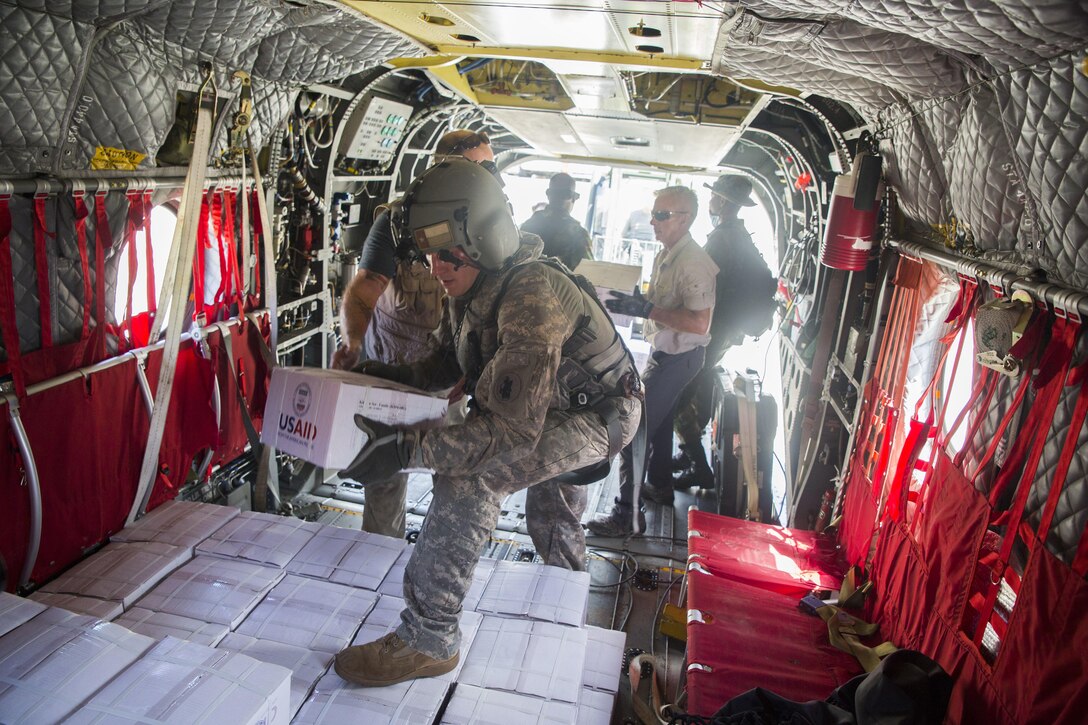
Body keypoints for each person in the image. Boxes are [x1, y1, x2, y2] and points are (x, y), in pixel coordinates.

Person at [333, 158, 642, 687]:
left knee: (476, 475)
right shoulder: (474, 287)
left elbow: (511, 434)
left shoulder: (531, 294)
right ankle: (540, 602)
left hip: (595, 414)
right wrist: (375, 373)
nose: (436, 267)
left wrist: (406, 450)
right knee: (487, 470)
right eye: (427, 254)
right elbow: (443, 365)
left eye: (445, 251)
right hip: (541, 405)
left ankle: (429, 639)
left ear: (482, 238)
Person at [330, 129, 494, 538]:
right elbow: (366, 284)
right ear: (446, 167)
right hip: (393, 370)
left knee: (453, 478)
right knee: (383, 472)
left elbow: (493, 310)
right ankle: (374, 563)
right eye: (482, 168)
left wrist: (471, 372)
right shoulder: (399, 222)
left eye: (492, 168)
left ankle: (437, 571)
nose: (489, 178)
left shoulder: (491, 226)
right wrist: (352, 341)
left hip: (447, 377)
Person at [587, 186, 717, 536]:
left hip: (680, 358)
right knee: (657, 425)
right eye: (653, 213)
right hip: (668, 355)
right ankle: (659, 485)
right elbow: (663, 303)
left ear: (685, 219)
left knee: (633, 433)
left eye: (662, 215)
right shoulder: (669, 254)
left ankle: (627, 516)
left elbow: (698, 322)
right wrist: (635, 301)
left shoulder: (693, 263)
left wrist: (646, 309)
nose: (653, 221)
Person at [673, 176, 775, 489]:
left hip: (711, 328)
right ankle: (689, 452)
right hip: (725, 329)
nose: (711, 203)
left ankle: (698, 466)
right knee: (700, 385)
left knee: (676, 396)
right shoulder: (739, 236)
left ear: (723, 202)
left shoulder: (721, 240)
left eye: (714, 197)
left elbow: (698, 285)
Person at [519, 172, 592, 270]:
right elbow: (589, 271)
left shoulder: (528, 226)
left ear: (548, 194)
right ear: (574, 198)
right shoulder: (579, 234)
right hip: (558, 285)